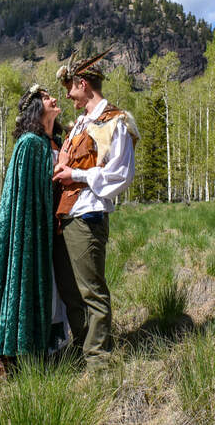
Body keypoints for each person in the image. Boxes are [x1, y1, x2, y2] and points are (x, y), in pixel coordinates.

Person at [52, 50, 138, 369]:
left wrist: (76, 174)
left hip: (87, 216)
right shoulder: (80, 125)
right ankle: (83, 347)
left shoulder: (116, 121)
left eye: (70, 87)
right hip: (66, 216)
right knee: (69, 289)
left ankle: (99, 359)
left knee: (91, 291)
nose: (68, 94)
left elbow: (120, 175)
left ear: (84, 84)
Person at [0, 84, 68, 378]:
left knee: (52, 289)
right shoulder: (29, 144)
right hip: (30, 232)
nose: (54, 99)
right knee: (24, 281)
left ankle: (42, 351)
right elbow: (28, 195)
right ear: (36, 109)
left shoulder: (52, 142)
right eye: (46, 97)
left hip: (52, 230)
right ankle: (11, 354)